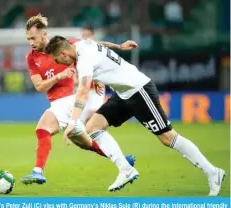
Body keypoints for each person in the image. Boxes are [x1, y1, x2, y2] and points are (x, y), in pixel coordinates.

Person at [45, 36, 226, 195]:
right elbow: (99, 43)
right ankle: (126, 169)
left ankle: (213, 172)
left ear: (63, 53)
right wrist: (119, 46)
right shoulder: (82, 44)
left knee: (167, 137)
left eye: (57, 60)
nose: (59, 64)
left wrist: (72, 121)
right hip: (124, 94)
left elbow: (83, 91)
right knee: (93, 127)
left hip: (139, 90)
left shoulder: (83, 60)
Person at [21, 14, 137, 186]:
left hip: (68, 100)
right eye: (28, 39)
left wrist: (119, 46)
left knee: (42, 129)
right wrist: (58, 76)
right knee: (85, 143)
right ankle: (123, 161)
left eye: (34, 38)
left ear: (44, 35)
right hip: (59, 103)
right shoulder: (31, 58)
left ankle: (38, 171)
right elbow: (39, 87)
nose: (31, 42)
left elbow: (94, 46)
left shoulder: (63, 46)